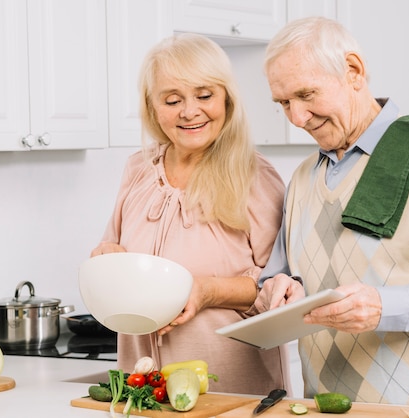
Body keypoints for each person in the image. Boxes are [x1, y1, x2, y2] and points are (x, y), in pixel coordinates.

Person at [252, 17, 409, 405]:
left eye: (306, 95)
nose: (297, 118)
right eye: (284, 102)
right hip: (327, 407)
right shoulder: (302, 177)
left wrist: (385, 306)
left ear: (353, 71)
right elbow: (281, 276)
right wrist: (279, 289)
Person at [91, 33, 289, 395]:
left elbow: (281, 288)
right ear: (152, 107)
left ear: (227, 99)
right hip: (143, 386)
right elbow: (113, 248)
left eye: (204, 95)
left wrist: (206, 291)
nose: (189, 111)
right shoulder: (138, 169)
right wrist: (107, 259)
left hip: (231, 388)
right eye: (172, 99)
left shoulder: (256, 177)